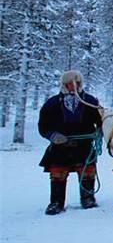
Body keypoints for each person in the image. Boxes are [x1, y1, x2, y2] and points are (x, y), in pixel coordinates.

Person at [37, 70, 102, 215]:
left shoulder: (91, 101)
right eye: (70, 83)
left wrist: (100, 130)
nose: (74, 86)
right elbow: (43, 126)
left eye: (77, 83)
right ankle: (56, 203)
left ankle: (88, 198)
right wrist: (53, 136)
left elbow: (101, 121)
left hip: (84, 146)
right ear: (64, 84)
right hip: (60, 148)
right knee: (58, 174)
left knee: (88, 172)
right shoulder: (52, 103)